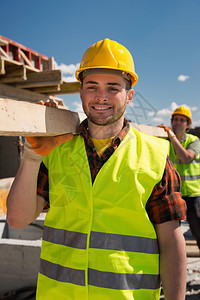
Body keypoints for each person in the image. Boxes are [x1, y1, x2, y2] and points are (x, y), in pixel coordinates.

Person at [7, 39, 187, 300]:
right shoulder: (56, 151)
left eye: (113, 88)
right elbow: (17, 219)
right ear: (80, 92)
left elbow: (171, 243)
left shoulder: (155, 156)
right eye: (92, 86)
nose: (101, 96)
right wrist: (32, 156)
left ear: (129, 95)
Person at [159, 106, 200, 250]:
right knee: (172, 232)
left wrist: (172, 137)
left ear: (188, 124)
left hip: (193, 195)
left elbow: (185, 157)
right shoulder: (165, 142)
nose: (178, 122)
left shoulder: (194, 141)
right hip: (174, 195)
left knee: (198, 231)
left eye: (182, 120)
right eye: (175, 119)